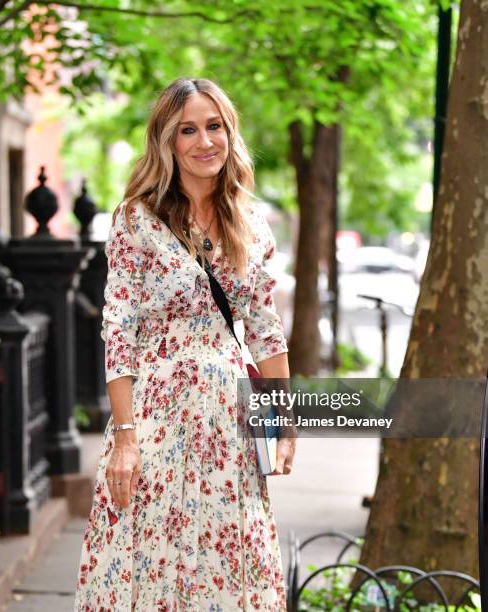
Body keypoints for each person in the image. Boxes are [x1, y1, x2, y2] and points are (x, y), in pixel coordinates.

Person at [74, 77, 297, 611]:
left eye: (214, 126)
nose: (205, 142)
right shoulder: (137, 219)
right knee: (150, 561)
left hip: (229, 423)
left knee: (227, 566)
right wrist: (125, 437)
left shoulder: (250, 221)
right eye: (188, 130)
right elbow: (119, 328)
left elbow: (266, 330)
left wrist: (287, 425)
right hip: (156, 418)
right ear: (167, 142)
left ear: (229, 132)